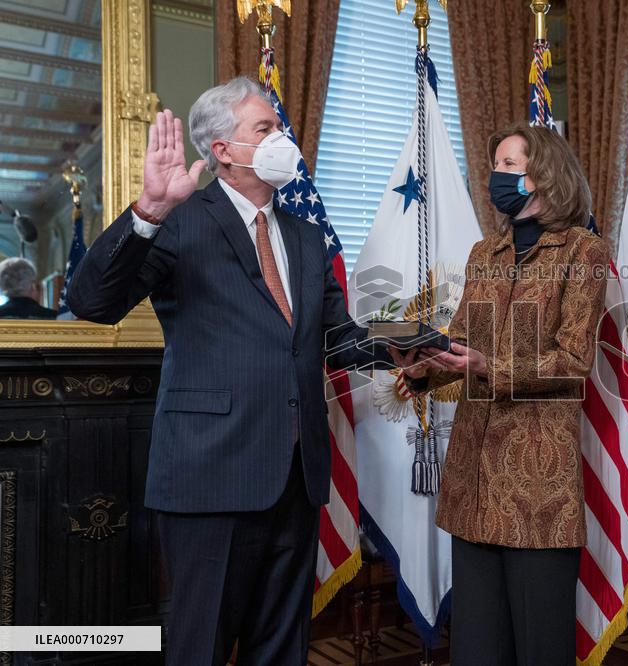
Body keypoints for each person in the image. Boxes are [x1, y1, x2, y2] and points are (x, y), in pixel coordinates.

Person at [67, 77, 391, 665]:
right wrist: (147, 213)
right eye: (265, 129)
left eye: (279, 128)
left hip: (296, 477)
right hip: (210, 476)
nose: (281, 138)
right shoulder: (180, 221)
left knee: (282, 648)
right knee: (202, 646)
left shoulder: (306, 235)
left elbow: (337, 339)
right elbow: (91, 302)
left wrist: (415, 352)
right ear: (222, 150)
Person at [391, 123, 610, 666]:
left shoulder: (583, 250)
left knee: (540, 646)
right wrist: (422, 368)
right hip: (473, 479)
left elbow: (574, 361)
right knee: (477, 648)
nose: (498, 175)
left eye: (511, 163)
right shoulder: (484, 252)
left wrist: (491, 365)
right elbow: (462, 343)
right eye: (496, 165)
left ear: (546, 173)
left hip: (538, 483)